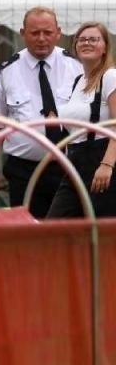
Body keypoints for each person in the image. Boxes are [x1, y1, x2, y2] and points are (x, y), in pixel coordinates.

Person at [0, 7, 82, 217]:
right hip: (23, 171)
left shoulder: (77, 67)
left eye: (47, 32)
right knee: (27, 233)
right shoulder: (6, 71)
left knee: (67, 233)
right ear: (22, 33)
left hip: (69, 169)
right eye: (34, 33)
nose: (41, 39)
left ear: (58, 32)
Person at [44, 22, 116, 220]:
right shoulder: (78, 82)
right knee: (54, 225)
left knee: (104, 231)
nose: (87, 43)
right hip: (75, 165)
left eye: (94, 39)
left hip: (102, 163)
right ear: (75, 46)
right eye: (82, 39)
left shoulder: (111, 77)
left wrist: (107, 165)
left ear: (104, 47)